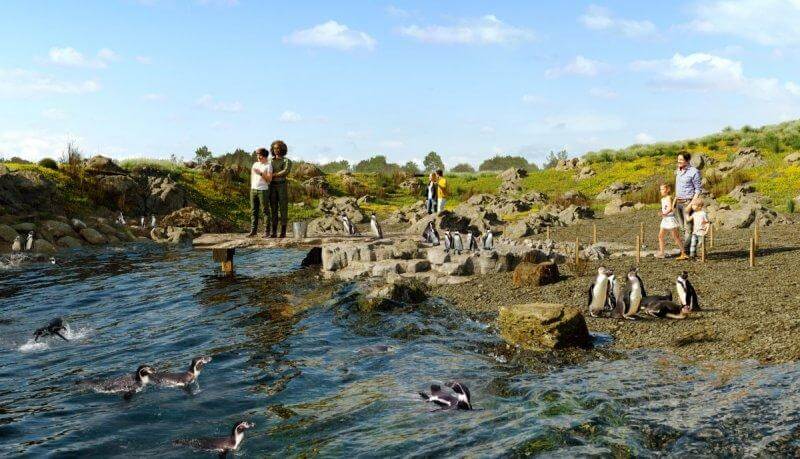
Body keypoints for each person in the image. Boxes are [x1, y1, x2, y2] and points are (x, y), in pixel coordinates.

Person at [673, 152, 703, 260]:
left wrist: (690, 205)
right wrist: (674, 203)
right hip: (678, 204)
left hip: (688, 202)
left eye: (681, 160)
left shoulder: (694, 172)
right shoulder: (678, 171)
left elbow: (698, 190)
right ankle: (691, 252)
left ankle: (685, 252)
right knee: (683, 228)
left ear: (687, 160)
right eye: (678, 160)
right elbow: (677, 187)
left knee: (689, 229)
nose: (678, 162)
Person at [268, 140, 292, 238]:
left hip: (282, 185)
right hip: (272, 186)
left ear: (282, 149)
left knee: (283, 208)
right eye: (274, 148)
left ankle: (283, 232)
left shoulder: (287, 161)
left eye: (278, 148)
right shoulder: (270, 161)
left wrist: (273, 175)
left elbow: (286, 171)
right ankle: (273, 232)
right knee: (273, 208)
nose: (276, 150)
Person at [656, 184, 686, 259]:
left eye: (662, 189)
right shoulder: (662, 199)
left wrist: (664, 213)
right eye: (660, 189)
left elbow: (671, 208)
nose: (661, 191)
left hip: (670, 219)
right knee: (660, 236)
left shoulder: (669, 198)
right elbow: (665, 208)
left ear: (667, 190)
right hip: (665, 219)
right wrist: (662, 213)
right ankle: (662, 252)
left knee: (675, 237)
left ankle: (683, 252)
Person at [248, 148, 272, 237]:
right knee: (253, 211)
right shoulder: (255, 164)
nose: (258, 156)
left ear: (264, 156)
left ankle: (267, 232)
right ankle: (253, 231)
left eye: (260, 155)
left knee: (265, 211)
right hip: (253, 190)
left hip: (263, 190)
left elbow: (269, 179)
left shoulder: (268, 166)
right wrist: (251, 187)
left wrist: (261, 173)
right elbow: (252, 176)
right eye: (257, 155)